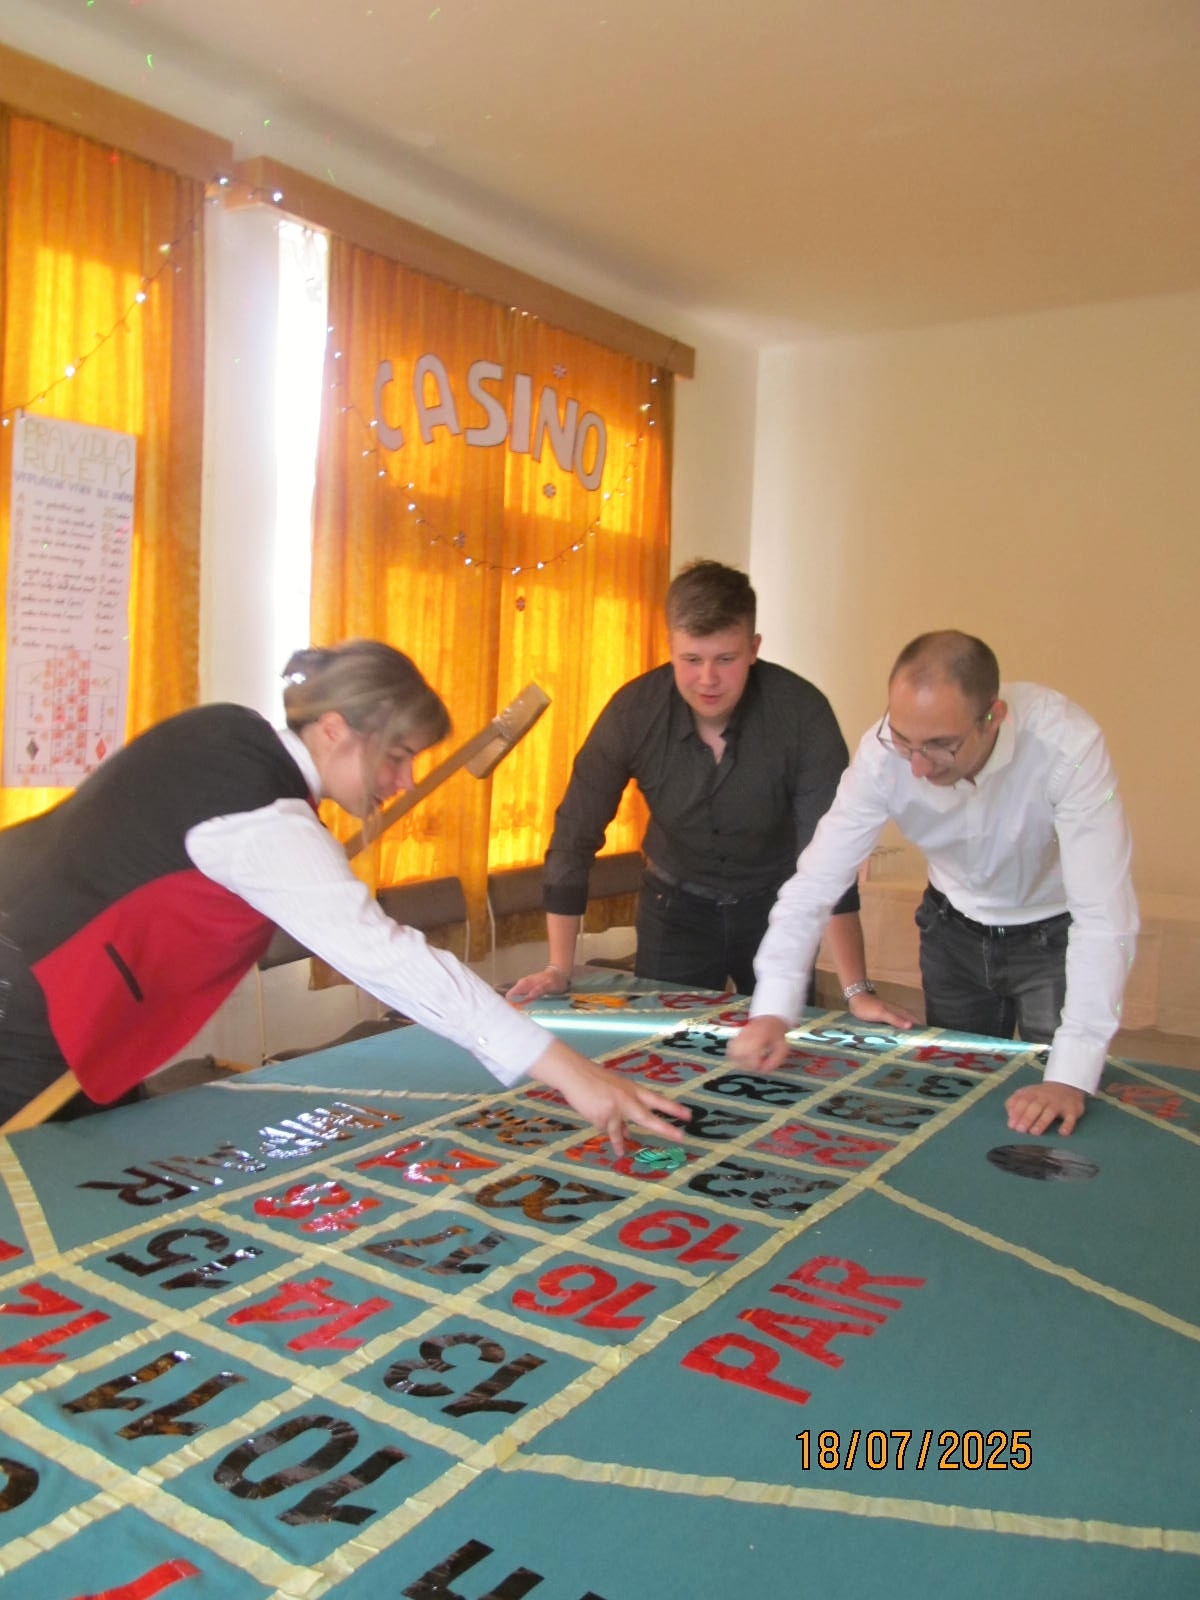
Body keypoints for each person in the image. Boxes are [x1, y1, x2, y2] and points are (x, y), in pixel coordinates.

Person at [0, 640, 684, 1151]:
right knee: (35, 1205)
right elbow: (393, 960)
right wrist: (570, 1072)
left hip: (53, 985)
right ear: (333, 730)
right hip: (26, 1000)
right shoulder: (266, 818)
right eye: (395, 756)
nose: (404, 780)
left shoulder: (232, 732)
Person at [728, 630, 1138, 1137]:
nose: (918, 766)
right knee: (955, 1099)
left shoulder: (1067, 746)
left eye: (941, 745)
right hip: (951, 933)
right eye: (904, 740)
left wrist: (1070, 1075)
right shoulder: (882, 756)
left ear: (993, 718)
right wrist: (773, 1007)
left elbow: (1105, 916)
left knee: (1055, 1114)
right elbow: (815, 882)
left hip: (1051, 938)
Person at [507, 561, 914, 1028]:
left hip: (777, 908)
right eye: (691, 660)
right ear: (670, 647)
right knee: (663, 1046)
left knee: (782, 1045)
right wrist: (559, 967)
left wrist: (857, 991)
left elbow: (830, 856)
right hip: (673, 908)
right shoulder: (633, 713)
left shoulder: (802, 714)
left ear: (753, 649)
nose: (708, 679)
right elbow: (574, 834)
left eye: (725, 659)